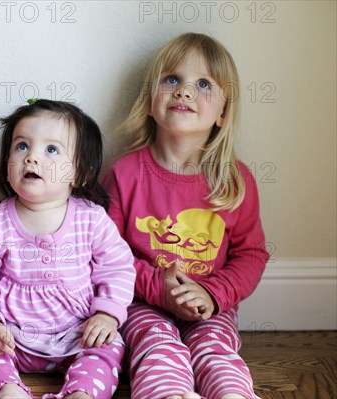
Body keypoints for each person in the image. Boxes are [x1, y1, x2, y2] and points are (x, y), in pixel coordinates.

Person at [102, 33, 269, 399]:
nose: (185, 91)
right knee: (156, 345)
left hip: (210, 304)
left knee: (216, 352)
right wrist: (157, 287)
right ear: (150, 101)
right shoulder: (124, 174)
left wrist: (212, 293)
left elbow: (252, 254)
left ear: (222, 114)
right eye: (172, 79)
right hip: (143, 302)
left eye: (204, 83)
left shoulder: (233, 181)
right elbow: (106, 254)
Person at [0, 99, 136, 399]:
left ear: (79, 172)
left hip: (77, 333)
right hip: (11, 336)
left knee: (111, 344)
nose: (32, 158)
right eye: (22, 146)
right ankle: (7, 389)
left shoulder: (91, 218)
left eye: (51, 149)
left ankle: (83, 392)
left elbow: (118, 268)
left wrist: (107, 314)